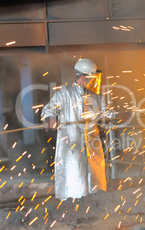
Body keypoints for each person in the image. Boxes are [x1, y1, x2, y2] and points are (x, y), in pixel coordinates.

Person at [41, 58, 107, 200]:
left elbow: (107, 113)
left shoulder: (96, 97)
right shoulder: (64, 94)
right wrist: (49, 119)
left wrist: (120, 115)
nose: (94, 80)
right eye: (92, 77)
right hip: (71, 148)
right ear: (83, 77)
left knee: (95, 186)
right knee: (73, 181)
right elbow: (48, 110)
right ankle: (72, 208)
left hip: (92, 146)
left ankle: (97, 206)